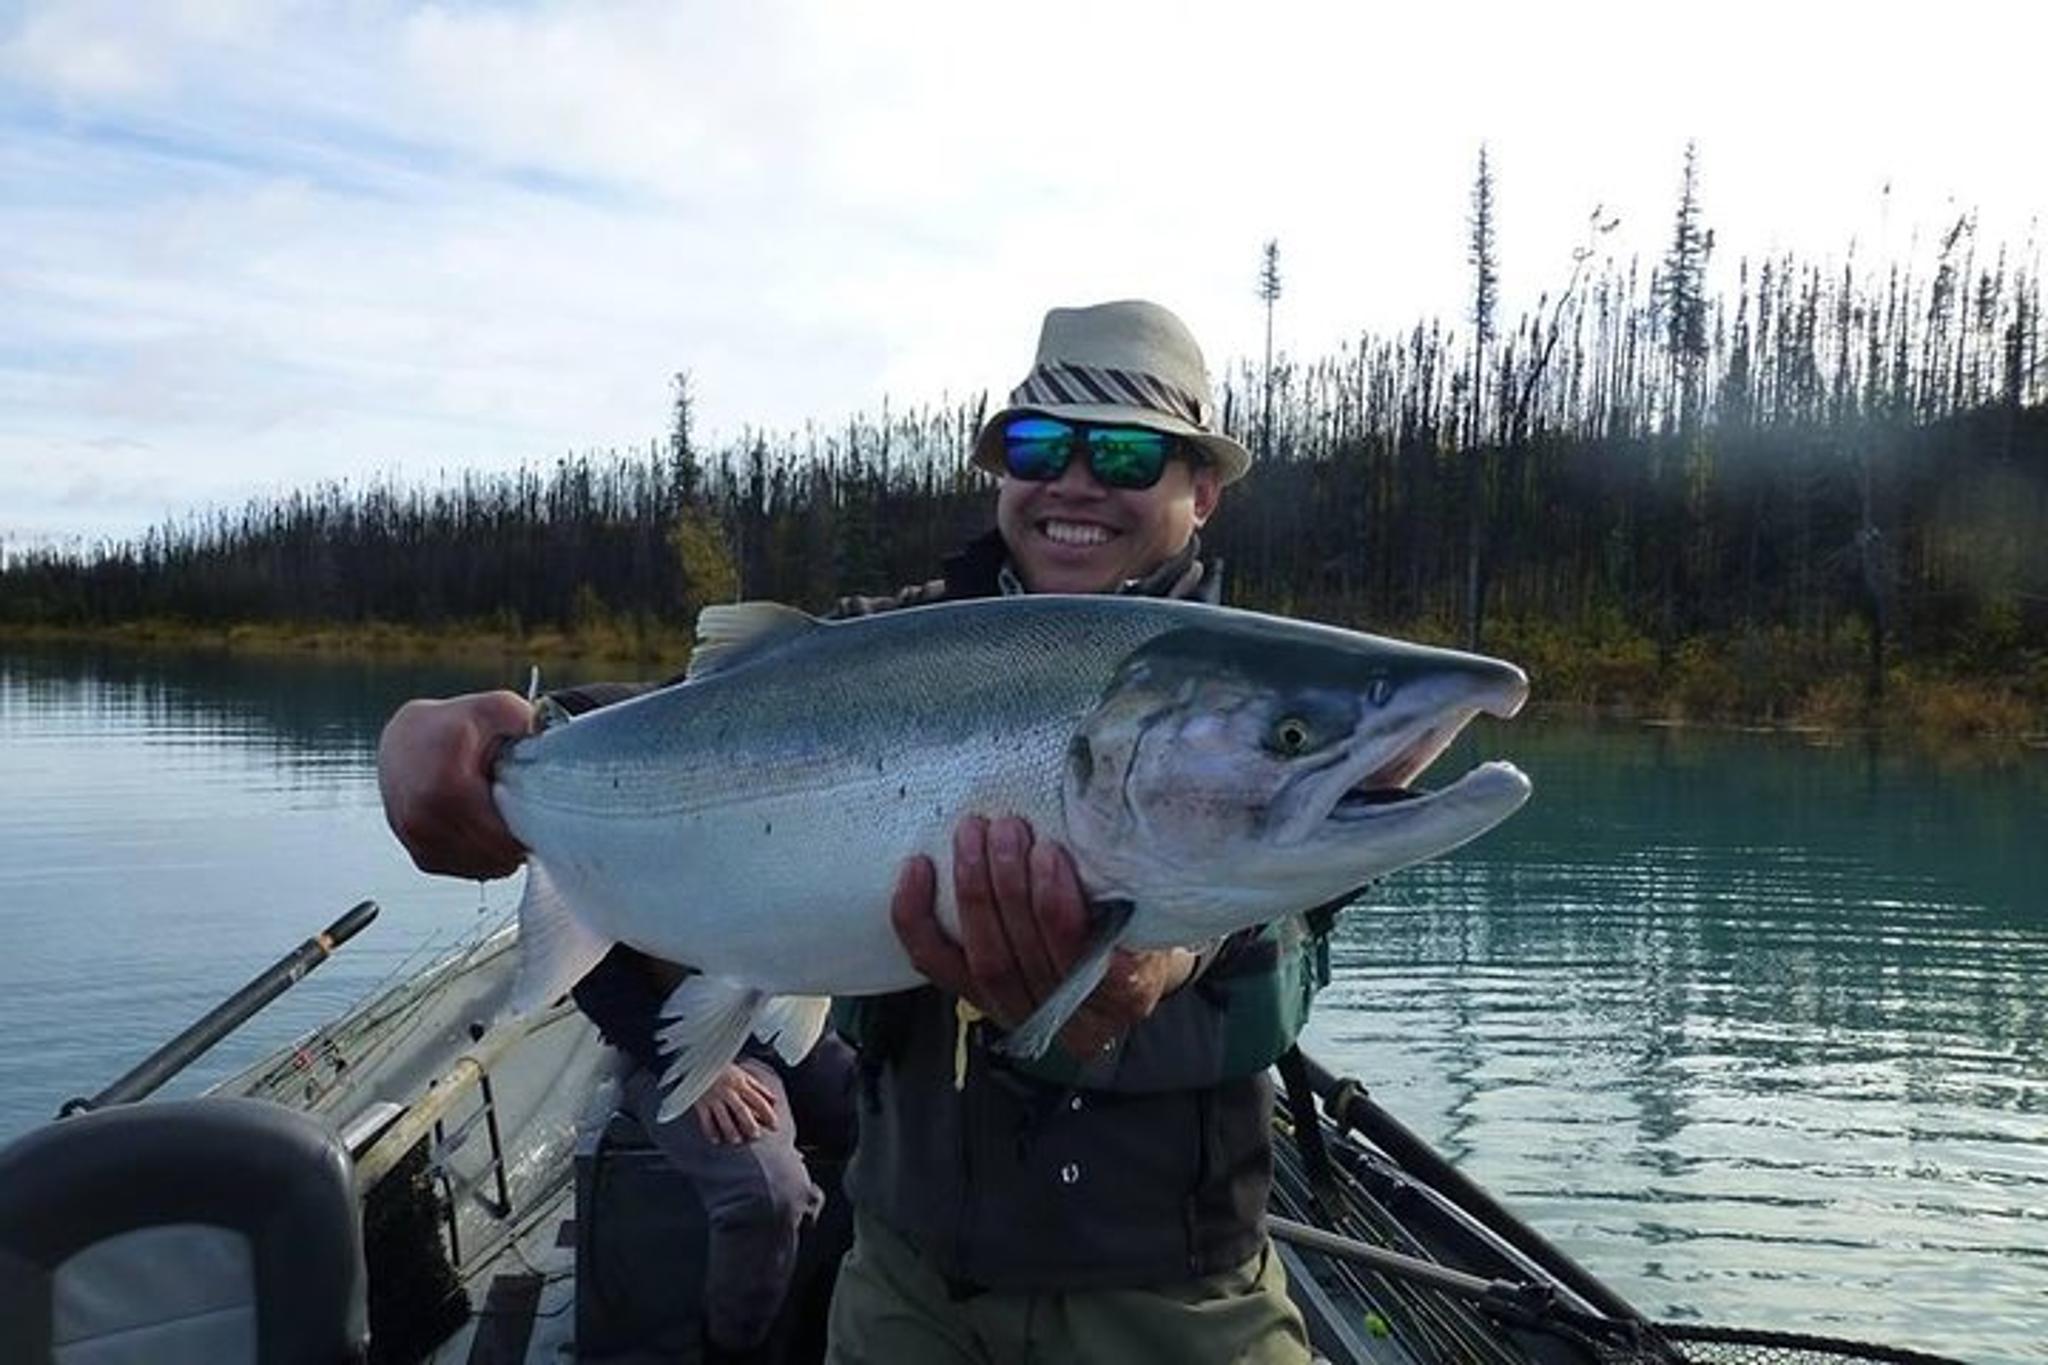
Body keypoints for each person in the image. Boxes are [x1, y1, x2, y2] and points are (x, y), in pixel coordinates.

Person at [377, 299, 1323, 1364]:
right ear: (1001, 473)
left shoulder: (1268, 710)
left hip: (1176, 1291)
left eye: (1122, 451)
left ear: (1200, 492)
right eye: (1036, 443)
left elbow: (1297, 903)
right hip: (906, 1280)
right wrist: (460, 741)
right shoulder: (884, 643)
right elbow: (683, 728)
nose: (1073, 479)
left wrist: (1167, 956)